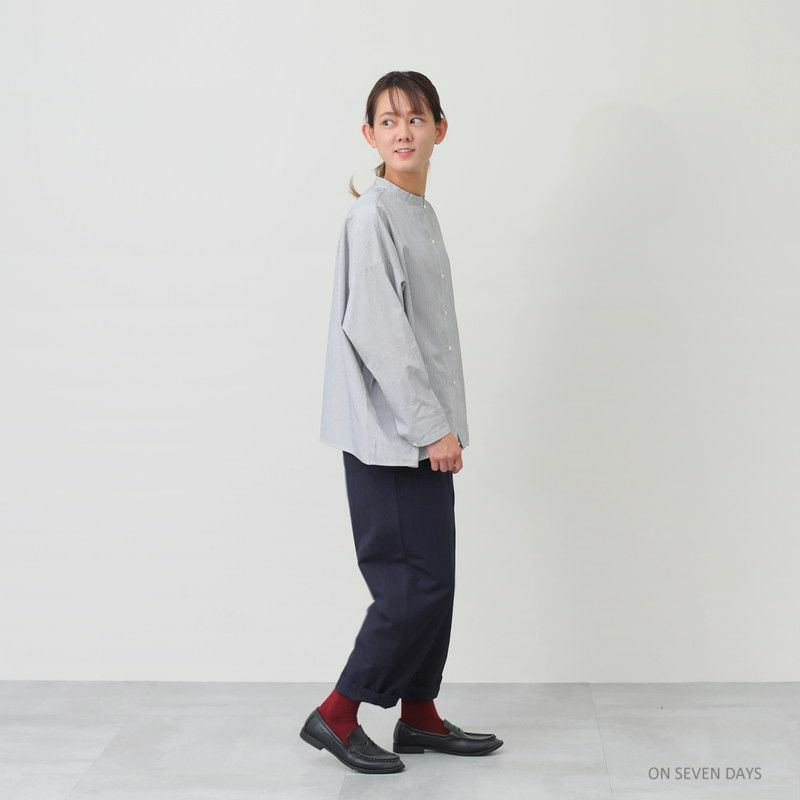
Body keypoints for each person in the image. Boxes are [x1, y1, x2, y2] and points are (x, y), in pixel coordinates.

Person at [300, 70, 503, 774]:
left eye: (415, 119)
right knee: (408, 586)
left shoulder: (418, 211)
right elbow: (380, 332)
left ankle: (418, 714)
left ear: (439, 129)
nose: (403, 132)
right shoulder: (373, 217)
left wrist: (440, 425)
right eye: (388, 121)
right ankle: (336, 713)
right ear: (370, 135)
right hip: (389, 437)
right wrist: (430, 427)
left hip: (421, 433)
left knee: (435, 579)